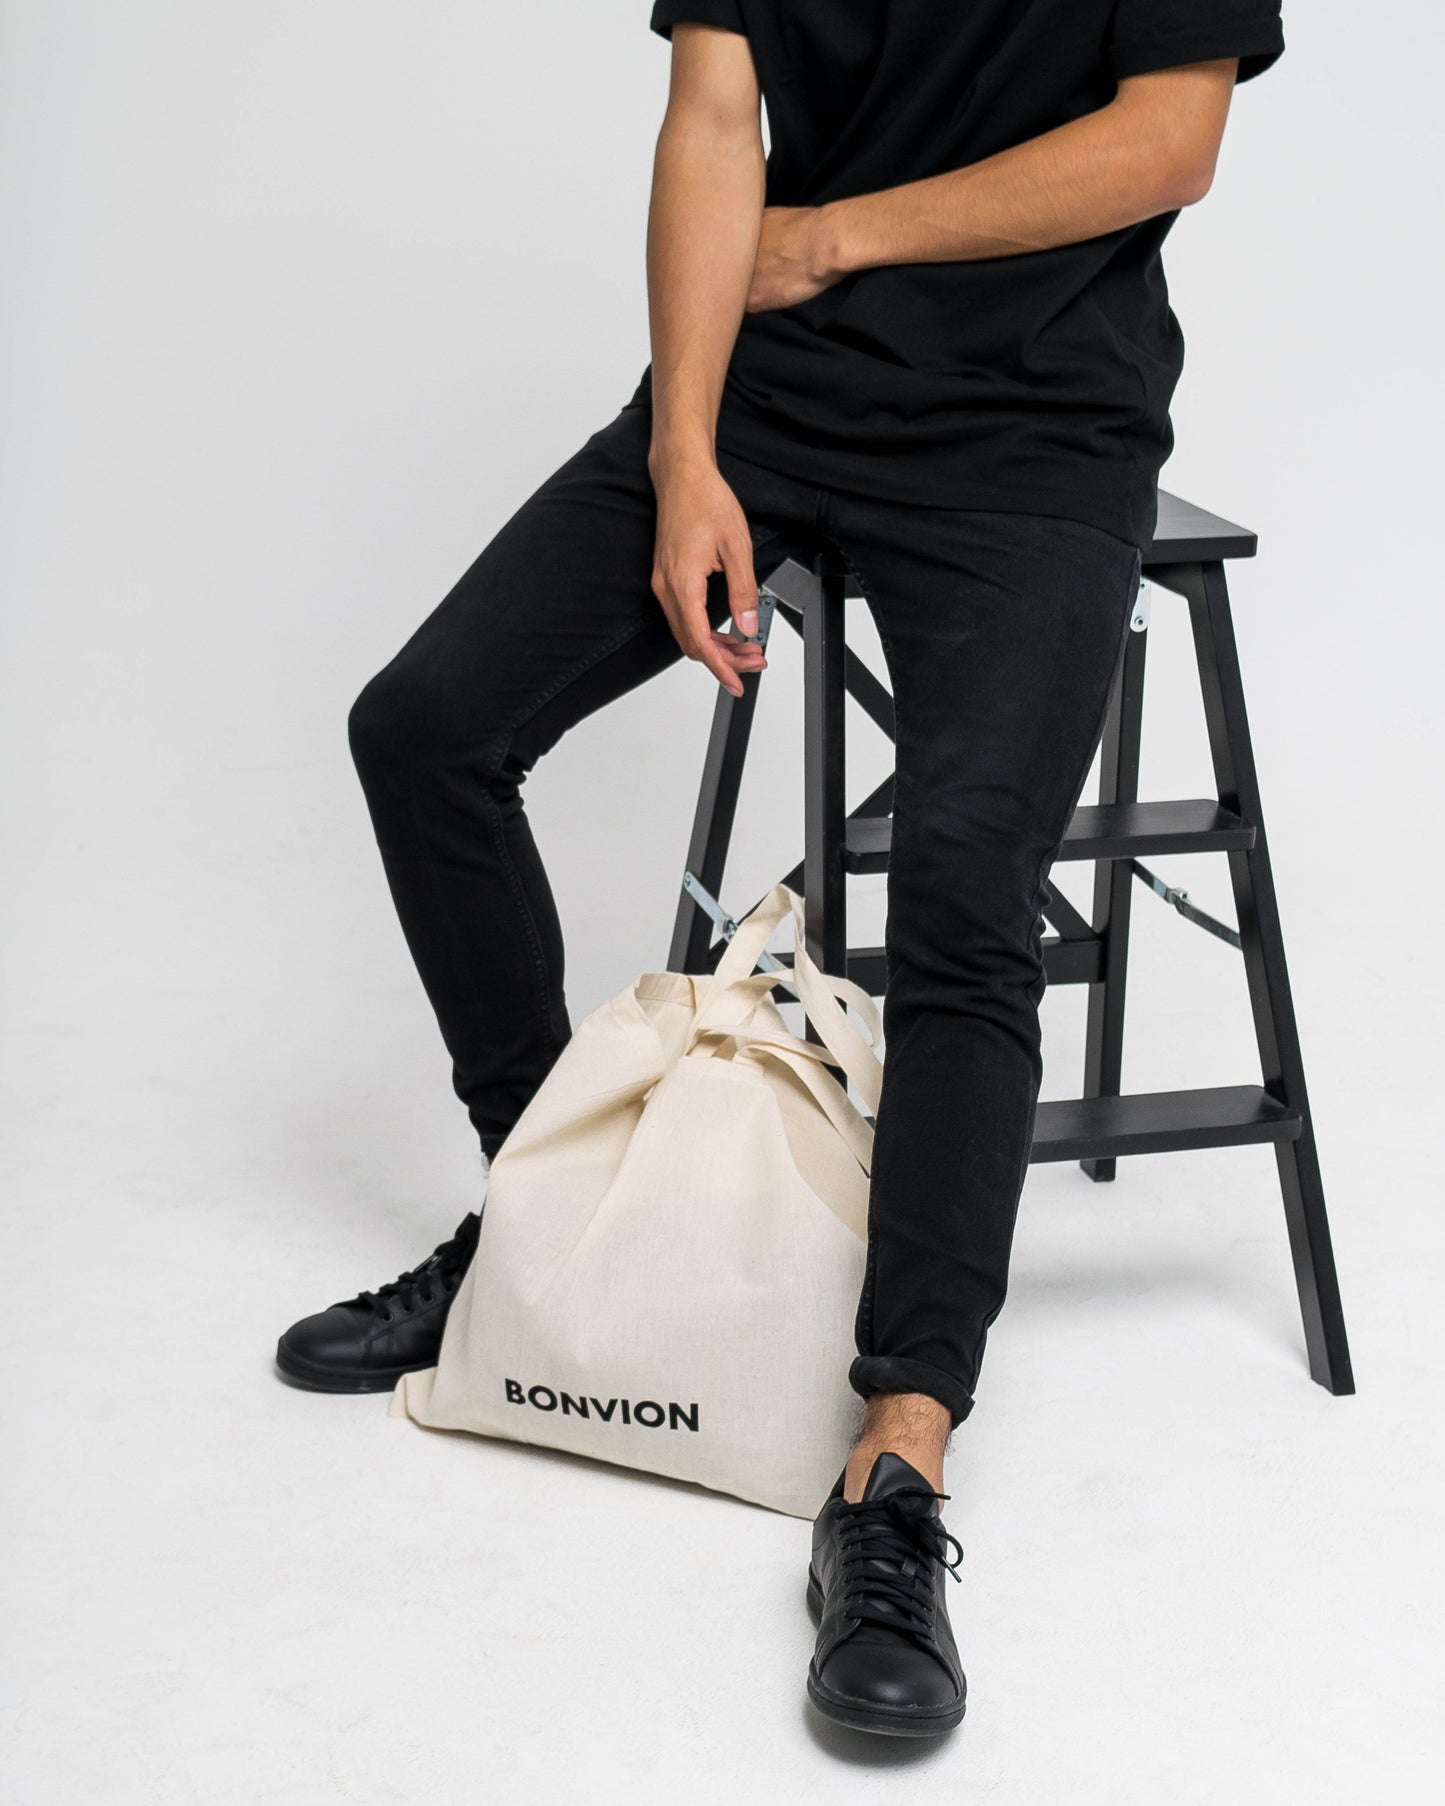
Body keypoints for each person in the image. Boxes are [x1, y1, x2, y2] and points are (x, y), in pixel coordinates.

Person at [275, 1, 1286, 1738]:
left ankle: (896, 1463)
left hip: (1032, 436)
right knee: (425, 727)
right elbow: (708, 115)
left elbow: (1167, 140)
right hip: (770, 400)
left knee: (963, 883)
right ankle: (546, 1225)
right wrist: (683, 455)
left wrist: (832, 237)